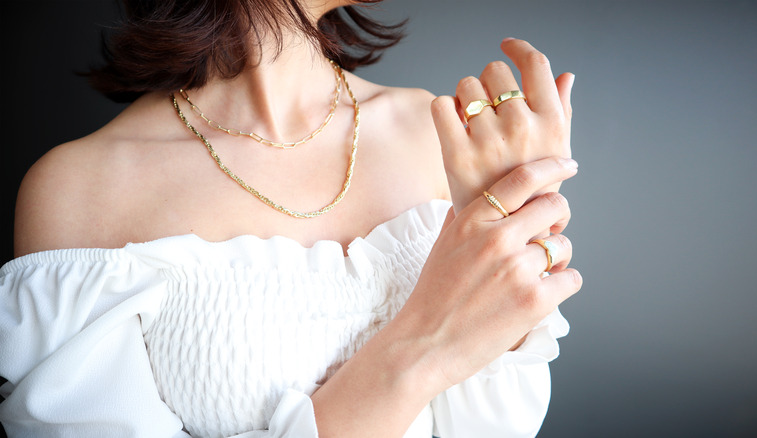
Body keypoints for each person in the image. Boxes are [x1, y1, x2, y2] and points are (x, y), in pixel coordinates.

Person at [0, 0, 581, 436]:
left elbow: (500, 424)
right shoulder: (83, 190)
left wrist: (518, 239)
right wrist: (421, 346)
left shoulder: (443, 134)